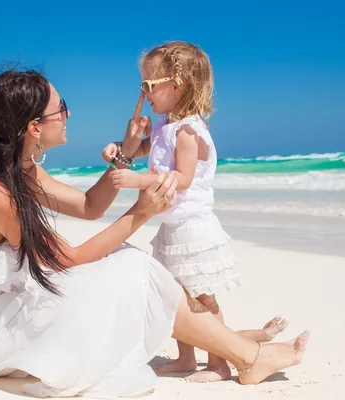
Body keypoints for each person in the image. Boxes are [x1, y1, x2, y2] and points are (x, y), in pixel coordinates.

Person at [0, 68, 309, 398]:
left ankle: (234, 347)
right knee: (131, 266)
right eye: (60, 108)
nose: (68, 114)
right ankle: (248, 356)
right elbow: (66, 259)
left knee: (128, 266)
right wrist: (140, 212)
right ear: (34, 127)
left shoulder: (17, 168)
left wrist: (127, 150)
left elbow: (90, 207)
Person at [103, 41, 254, 382]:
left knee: (203, 297)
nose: (145, 92)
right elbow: (145, 150)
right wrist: (120, 148)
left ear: (177, 83)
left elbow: (181, 177)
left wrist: (135, 181)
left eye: (149, 85)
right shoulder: (165, 126)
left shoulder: (188, 130)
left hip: (193, 228)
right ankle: (186, 358)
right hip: (174, 227)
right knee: (177, 296)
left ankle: (219, 362)